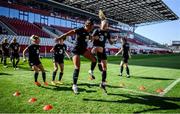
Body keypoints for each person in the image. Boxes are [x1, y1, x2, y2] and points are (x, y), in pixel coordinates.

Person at [56, 18, 97, 94]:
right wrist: (61, 36)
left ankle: (91, 71)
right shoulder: (81, 29)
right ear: (88, 25)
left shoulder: (88, 32)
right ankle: (74, 85)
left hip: (83, 50)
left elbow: (89, 38)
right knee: (77, 67)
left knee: (94, 60)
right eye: (91, 27)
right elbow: (71, 32)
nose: (92, 28)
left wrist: (93, 38)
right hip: (76, 50)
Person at [89, 10, 117, 93]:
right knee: (96, 50)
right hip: (95, 48)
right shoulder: (96, 31)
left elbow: (111, 42)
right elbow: (90, 39)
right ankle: (91, 70)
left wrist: (114, 40)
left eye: (107, 25)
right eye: (105, 24)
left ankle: (103, 83)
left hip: (102, 50)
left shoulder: (107, 33)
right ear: (101, 24)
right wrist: (94, 38)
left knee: (105, 67)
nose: (106, 26)